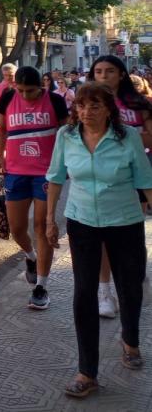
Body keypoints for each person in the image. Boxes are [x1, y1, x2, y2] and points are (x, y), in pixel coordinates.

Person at [44, 83, 152, 398]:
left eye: (94, 106)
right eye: (81, 105)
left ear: (108, 109)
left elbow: (145, 180)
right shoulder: (66, 137)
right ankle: (87, 371)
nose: (86, 112)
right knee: (83, 293)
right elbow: (55, 178)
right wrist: (51, 220)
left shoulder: (127, 137)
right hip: (82, 222)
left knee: (130, 288)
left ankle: (130, 340)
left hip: (125, 221)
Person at [0, 65, 69, 310]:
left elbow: (66, 132)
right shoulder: (7, 98)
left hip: (47, 173)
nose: (26, 95)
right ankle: (30, 257)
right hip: (15, 172)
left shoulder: (55, 101)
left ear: (42, 86)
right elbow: (2, 131)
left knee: (42, 226)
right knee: (16, 228)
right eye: (21, 90)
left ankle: (41, 286)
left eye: (31, 91)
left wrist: (66, 163)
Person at [89, 55, 152, 319]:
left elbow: (150, 136)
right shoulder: (86, 104)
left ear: (122, 74)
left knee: (129, 234)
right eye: (99, 71)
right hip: (98, 177)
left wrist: (125, 137)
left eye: (110, 71)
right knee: (101, 235)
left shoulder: (138, 103)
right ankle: (105, 292)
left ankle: (136, 272)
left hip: (133, 175)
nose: (103, 76)